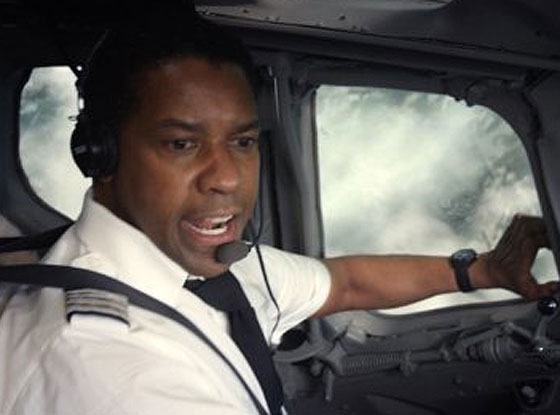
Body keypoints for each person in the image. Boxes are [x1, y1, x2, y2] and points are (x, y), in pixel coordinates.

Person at [0, 12, 558, 415]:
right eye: (182, 144)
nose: (227, 178)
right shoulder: (110, 372)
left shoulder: (201, 266)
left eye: (242, 142)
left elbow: (345, 282)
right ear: (99, 155)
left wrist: (481, 270)